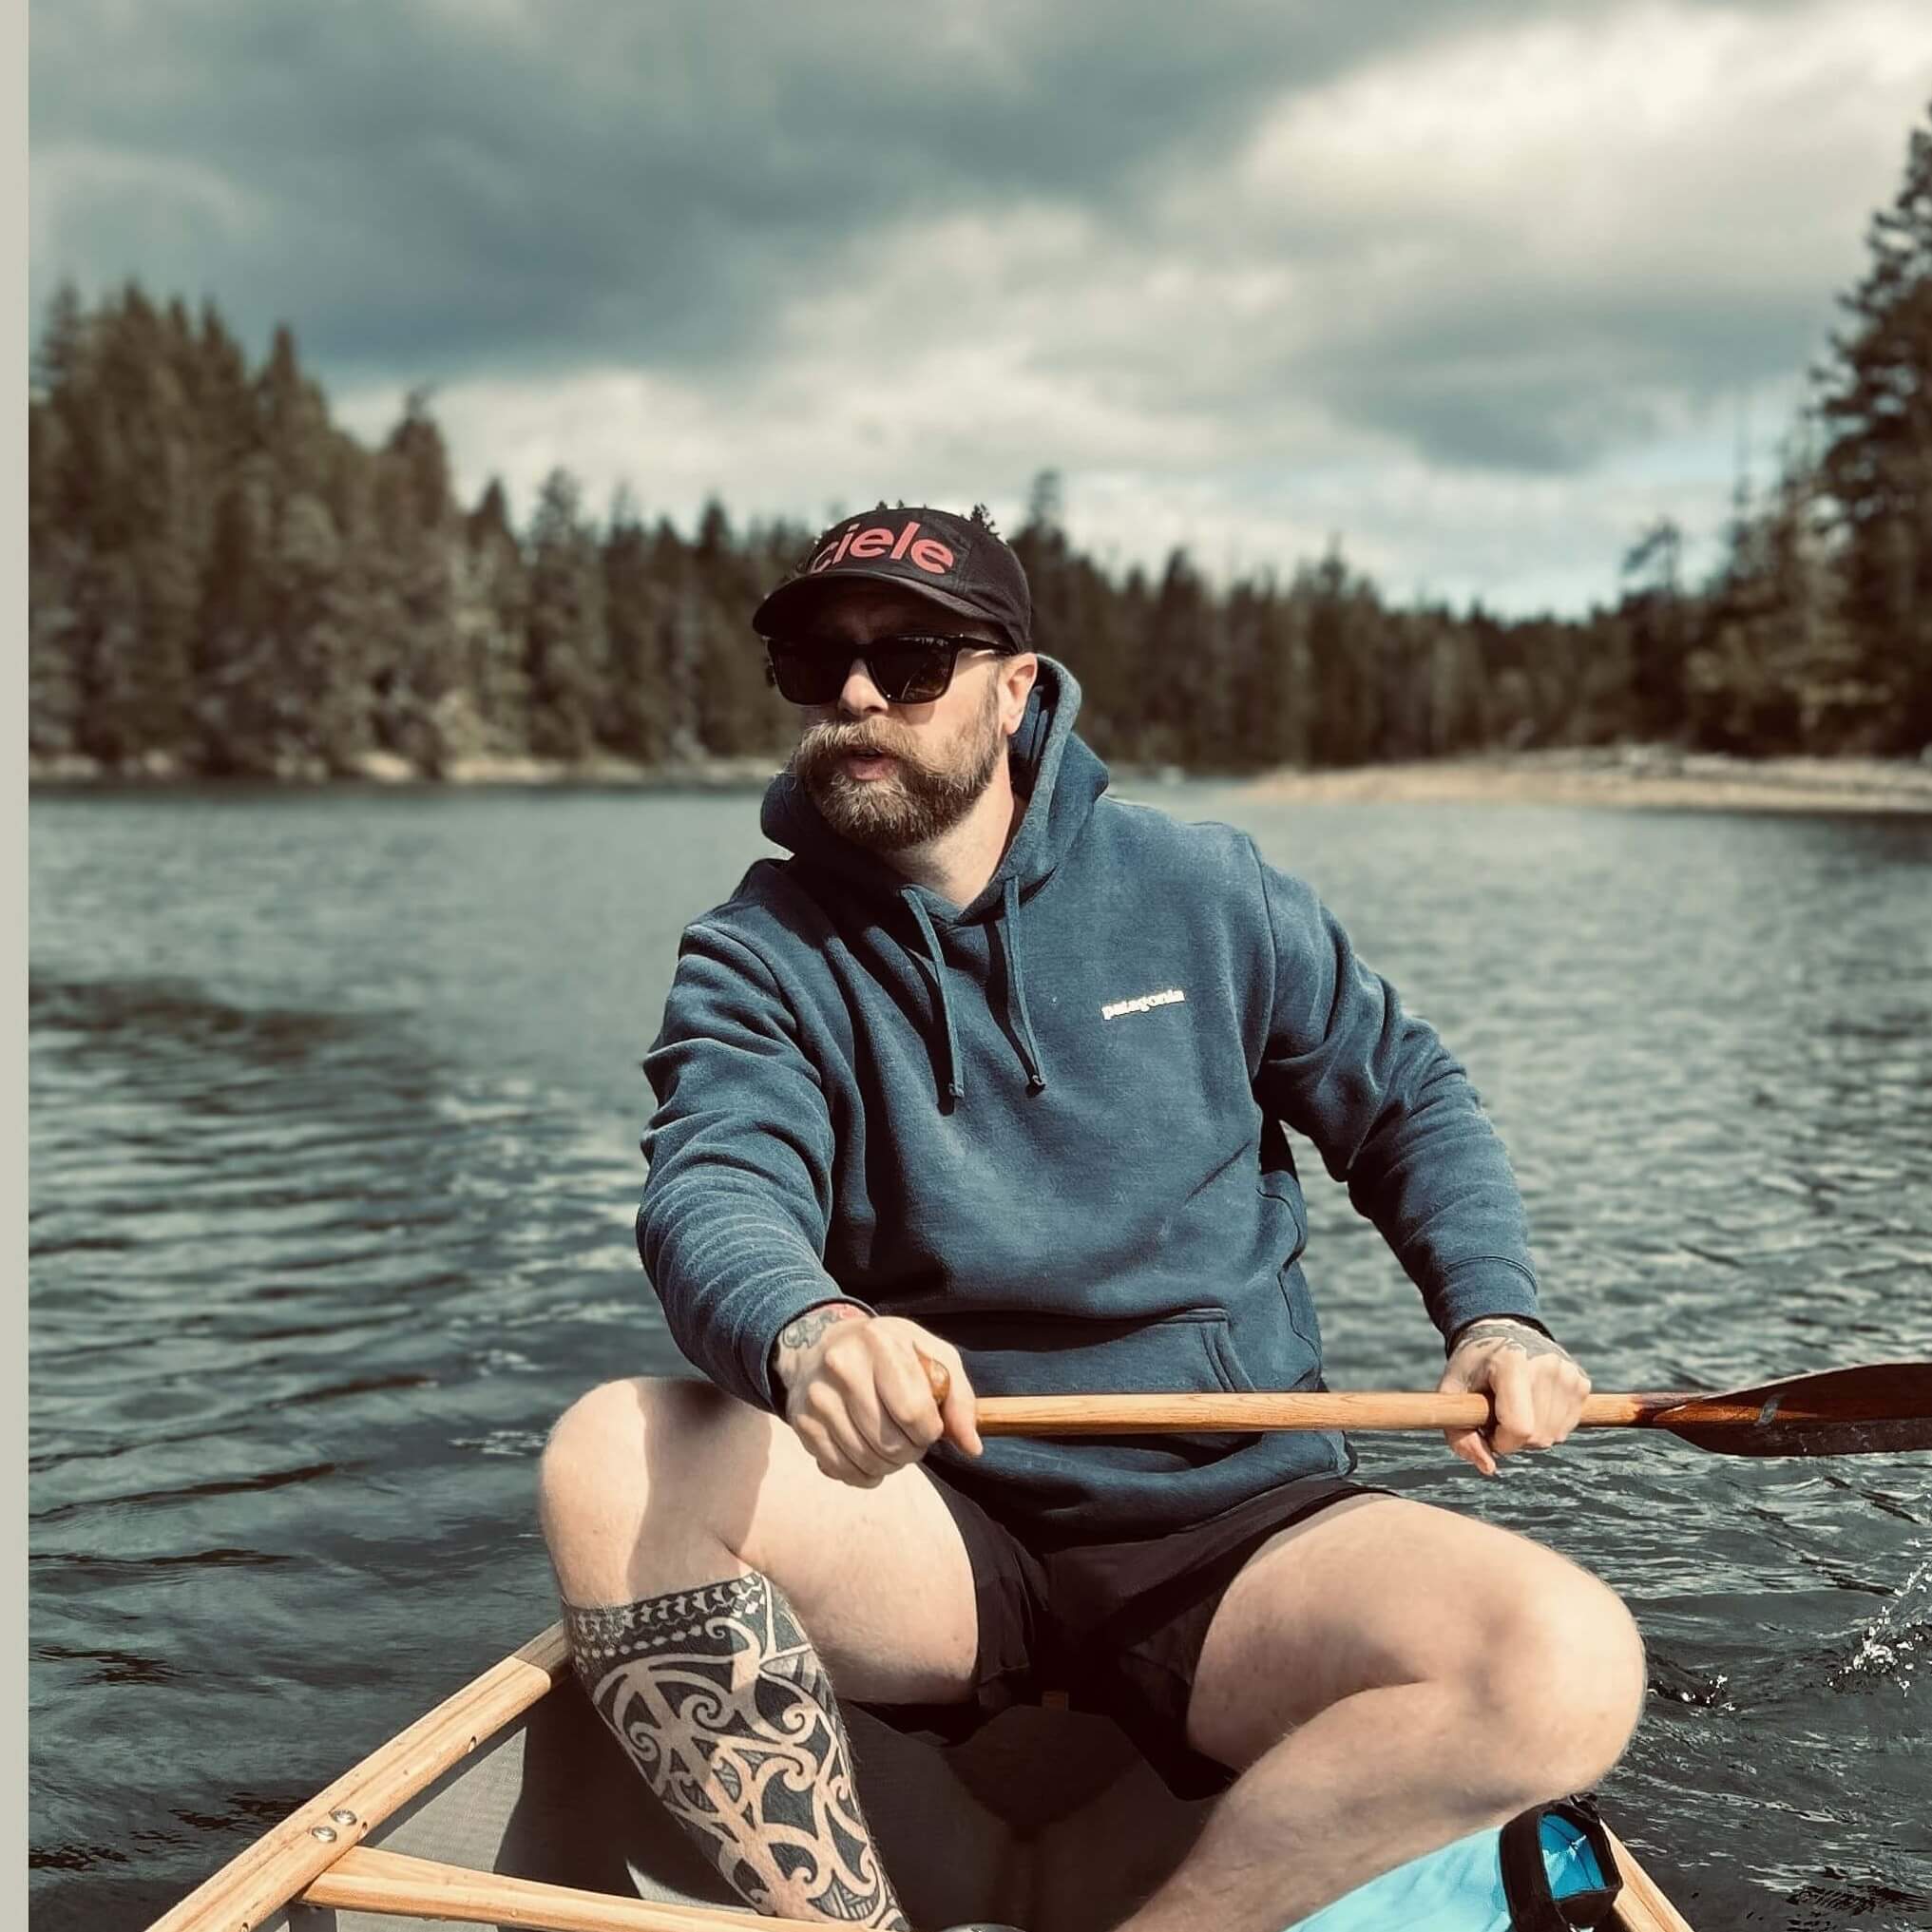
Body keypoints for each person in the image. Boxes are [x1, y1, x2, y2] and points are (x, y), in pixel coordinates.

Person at [538, 505, 1646, 1932]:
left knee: (1562, 1662)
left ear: (1015, 689)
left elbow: (1407, 1103)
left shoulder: (1206, 892)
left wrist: (1494, 1314)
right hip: (933, 1512)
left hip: (1235, 1523)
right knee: (611, 1460)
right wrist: (810, 1329)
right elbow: (714, 1182)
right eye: (817, 662)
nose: (857, 695)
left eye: (911, 659)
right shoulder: (758, 953)